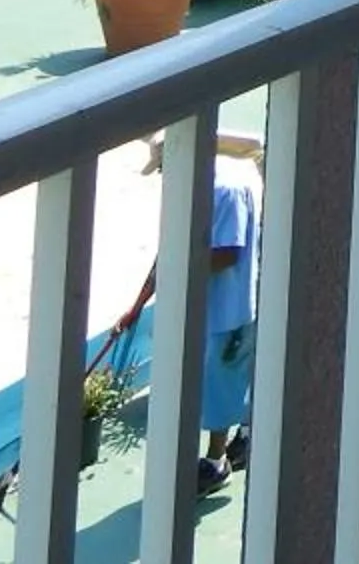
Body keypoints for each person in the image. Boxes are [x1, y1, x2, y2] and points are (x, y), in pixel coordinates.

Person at [111, 136, 263, 493]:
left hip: (231, 308)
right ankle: (235, 442)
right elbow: (167, 254)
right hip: (201, 308)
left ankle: (216, 462)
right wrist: (136, 306)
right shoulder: (186, 194)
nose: (164, 176)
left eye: (165, 168)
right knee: (213, 384)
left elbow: (227, 253)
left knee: (223, 384)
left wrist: (180, 265)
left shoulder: (227, 190)